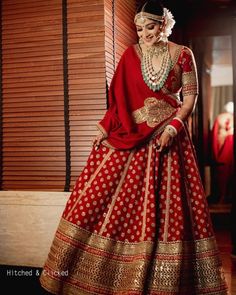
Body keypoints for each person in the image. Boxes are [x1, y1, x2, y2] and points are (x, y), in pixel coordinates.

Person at [40, 0, 228, 294]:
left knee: (170, 212)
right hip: (132, 134)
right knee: (100, 197)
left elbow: (189, 99)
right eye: (139, 29)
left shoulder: (183, 55)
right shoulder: (131, 55)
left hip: (169, 139)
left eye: (150, 27)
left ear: (164, 24)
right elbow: (119, 98)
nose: (144, 34)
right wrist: (105, 128)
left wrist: (172, 128)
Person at [211, 101, 234, 204]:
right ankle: (223, 196)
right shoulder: (220, 118)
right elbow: (214, 137)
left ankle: (224, 196)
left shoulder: (220, 118)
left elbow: (215, 137)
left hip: (225, 150)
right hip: (223, 150)